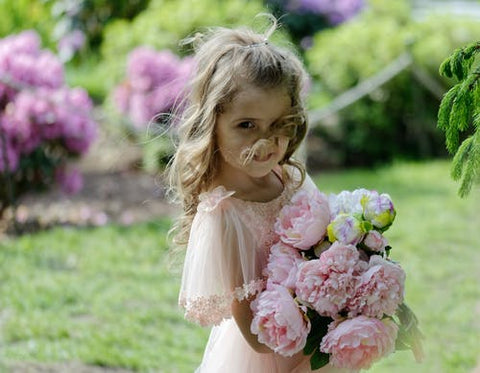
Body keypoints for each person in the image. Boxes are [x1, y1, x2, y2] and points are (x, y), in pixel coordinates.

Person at [166, 16, 348, 373]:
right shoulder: (226, 214)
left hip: (319, 345)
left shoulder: (288, 178)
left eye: (278, 126)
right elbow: (252, 333)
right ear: (212, 122)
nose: (265, 143)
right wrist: (319, 314)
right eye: (246, 126)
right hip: (268, 357)